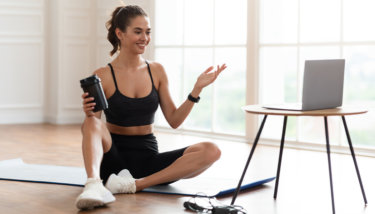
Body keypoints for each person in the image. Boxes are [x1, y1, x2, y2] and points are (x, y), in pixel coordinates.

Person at [75, 5, 227, 210]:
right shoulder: (103, 75)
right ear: (120, 33)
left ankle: (135, 185)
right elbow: (91, 129)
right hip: (114, 161)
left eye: (147, 32)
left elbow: (174, 120)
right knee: (91, 121)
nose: (144, 38)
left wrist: (196, 90)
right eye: (138, 32)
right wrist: (89, 113)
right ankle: (93, 185)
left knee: (211, 151)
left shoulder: (156, 71)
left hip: (148, 160)